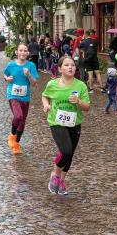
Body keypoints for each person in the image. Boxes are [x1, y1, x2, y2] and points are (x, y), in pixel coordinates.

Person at [42, 55, 91, 195]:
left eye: (73, 65)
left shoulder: (81, 85)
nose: (70, 67)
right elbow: (45, 95)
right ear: (59, 69)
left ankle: (62, 180)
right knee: (66, 151)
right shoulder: (52, 84)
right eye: (67, 65)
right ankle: (55, 175)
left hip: (75, 123)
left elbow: (87, 107)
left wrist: (78, 102)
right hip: (56, 121)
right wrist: (46, 104)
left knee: (70, 154)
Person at [4, 43, 40, 155]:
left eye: (25, 51)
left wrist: (28, 74)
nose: (23, 52)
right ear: (17, 52)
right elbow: (5, 75)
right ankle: (12, 135)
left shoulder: (31, 65)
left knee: (22, 122)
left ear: (28, 53)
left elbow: (34, 83)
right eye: (21, 50)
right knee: (18, 116)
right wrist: (7, 79)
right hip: (13, 95)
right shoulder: (11, 65)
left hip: (25, 97)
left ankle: (16, 143)